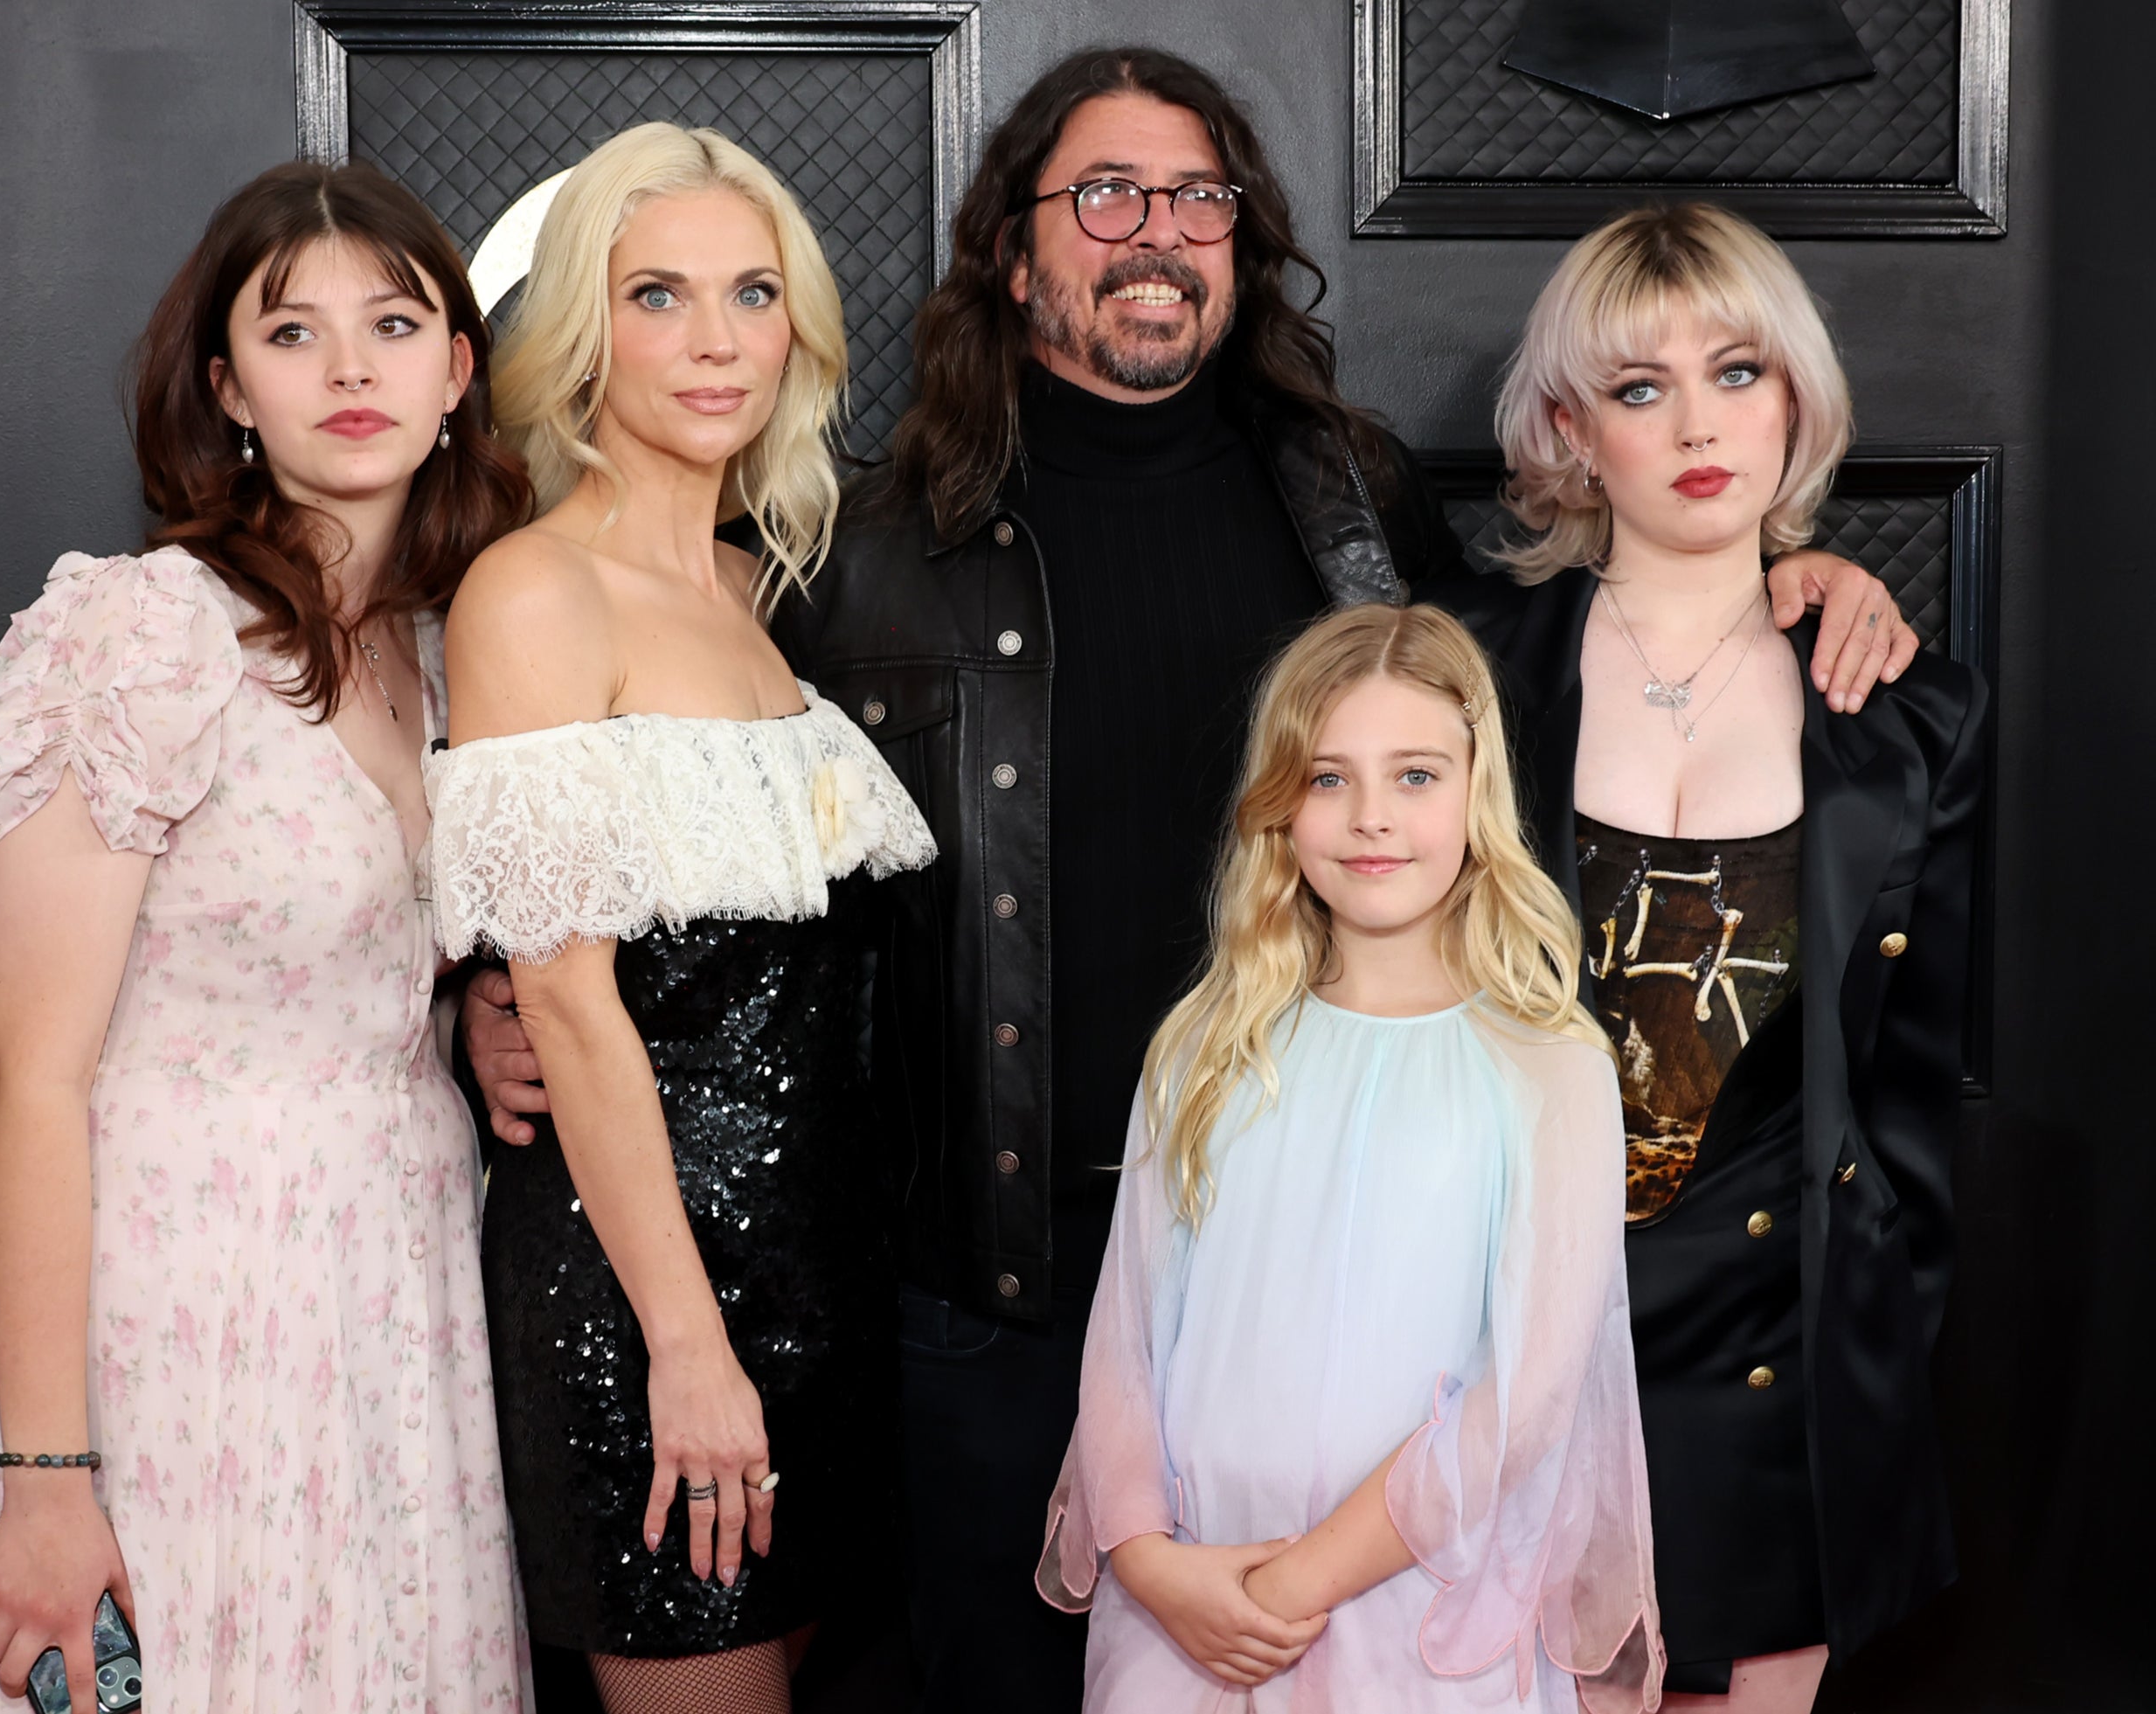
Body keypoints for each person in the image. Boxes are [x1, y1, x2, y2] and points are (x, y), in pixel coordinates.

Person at [464, 49, 1913, 1711]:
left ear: (1241, 239)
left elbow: (1538, 693)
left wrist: (1782, 573)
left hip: (1322, 1271)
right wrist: (488, 999)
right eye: (1105, 195)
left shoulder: (1351, 502)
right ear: (1013, 253)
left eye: (1198, 196)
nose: (1155, 231)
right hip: (992, 1291)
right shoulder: (855, 546)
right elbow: (646, 814)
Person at [0, 162, 532, 1712]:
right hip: (186, 1315)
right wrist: (50, 1475)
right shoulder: (139, 634)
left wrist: (464, 1010)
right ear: (226, 388)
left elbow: (342, 960)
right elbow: (31, 1079)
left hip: (397, 1303)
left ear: (456, 369)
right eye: (292, 333)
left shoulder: (453, 643)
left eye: (395, 323)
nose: (351, 369)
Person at [1429, 202, 1987, 1711]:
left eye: (1737, 373)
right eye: (1638, 387)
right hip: (1522, 1330)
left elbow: (1911, 1095)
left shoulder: (1910, 715)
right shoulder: (1457, 667)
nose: (1697, 424)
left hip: (1777, 1355)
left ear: (1795, 398)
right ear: (1567, 425)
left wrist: (1876, 1371)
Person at [426, 122, 934, 1714]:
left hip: (819, 1276)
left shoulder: (748, 587)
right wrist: (686, 1346)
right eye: (659, 295)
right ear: (583, 331)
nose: (716, 340)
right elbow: (570, 1003)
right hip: (647, 1293)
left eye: (752, 293)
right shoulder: (532, 591)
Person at [1035, 602, 1660, 1712]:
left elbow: (1526, 1398)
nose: (1372, 818)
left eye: (1416, 775)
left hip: (1411, 1614)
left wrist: (1294, 1582)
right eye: (1328, 778)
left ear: (1479, 789)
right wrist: (1147, 1558)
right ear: (1279, 802)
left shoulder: (1547, 1065)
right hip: (1190, 1604)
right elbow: (1125, 1335)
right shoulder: (1207, 1045)